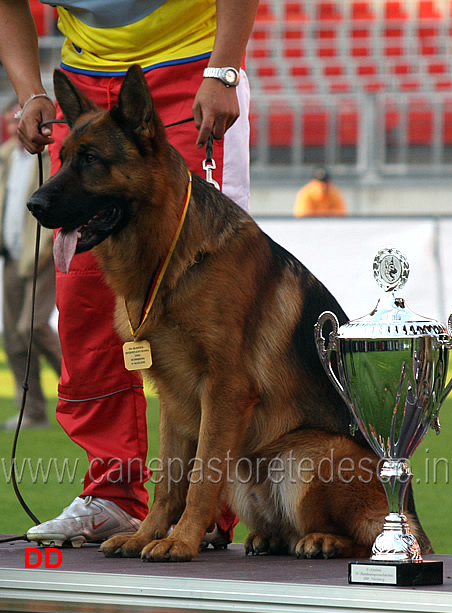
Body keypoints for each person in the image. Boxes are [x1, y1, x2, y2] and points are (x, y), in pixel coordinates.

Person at [0, 0, 258, 548]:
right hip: (84, 80)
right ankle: (112, 495)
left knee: (206, 303)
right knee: (84, 305)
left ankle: (204, 508)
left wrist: (224, 69)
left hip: (193, 70)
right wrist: (30, 92)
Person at [0, 98, 62, 430]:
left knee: (32, 327)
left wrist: (50, 245)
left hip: (42, 254)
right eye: (11, 120)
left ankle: (80, 392)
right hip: (10, 255)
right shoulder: (6, 156)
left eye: (18, 119)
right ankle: (33, 412)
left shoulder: (52, 156)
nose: (14, 126)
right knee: (13, 338)